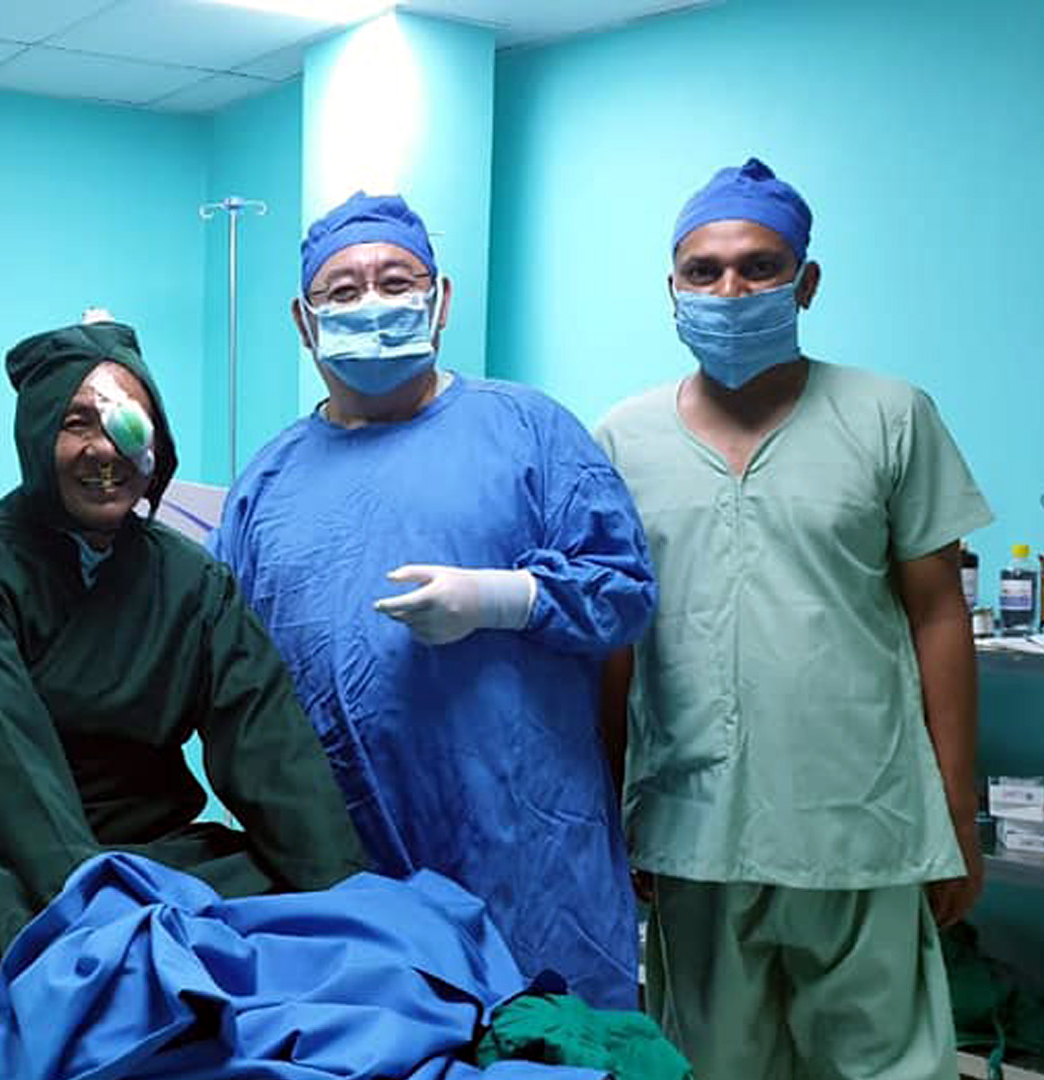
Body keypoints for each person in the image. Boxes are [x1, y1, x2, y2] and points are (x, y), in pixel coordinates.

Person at [0, 316, 369, 1080]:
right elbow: (4, 768)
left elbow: (271, 748)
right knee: (55, 953)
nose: (101, 449)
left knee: (281, 913)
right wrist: (105, 913)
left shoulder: (194, 583)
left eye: (123, 422)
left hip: (149, 850)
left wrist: (348, 903)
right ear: (35, 438)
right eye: (74, 423)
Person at [594, 157, 991, 1079]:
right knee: (714, 1062)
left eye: (760, 267)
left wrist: (957, 817)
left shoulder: (888, 416)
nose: (730, 290)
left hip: (863, 819)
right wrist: (611, 807)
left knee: (885, 1064)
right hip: (693, 826)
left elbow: (939, 615)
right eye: (704, 271)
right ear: (672, 288)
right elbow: (615, 642)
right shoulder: (623, 439)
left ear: (806, 282)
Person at [209, 192, 657, 1008]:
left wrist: (503, 597)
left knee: (550, 1042)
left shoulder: (528, 431)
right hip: (346, 873)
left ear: (441, 299)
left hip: (526, 865)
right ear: (304, 322)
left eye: (396, 282)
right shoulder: (265, 486)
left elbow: (624, 591)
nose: (371, 304)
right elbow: (221, 668)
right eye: (342, 291)